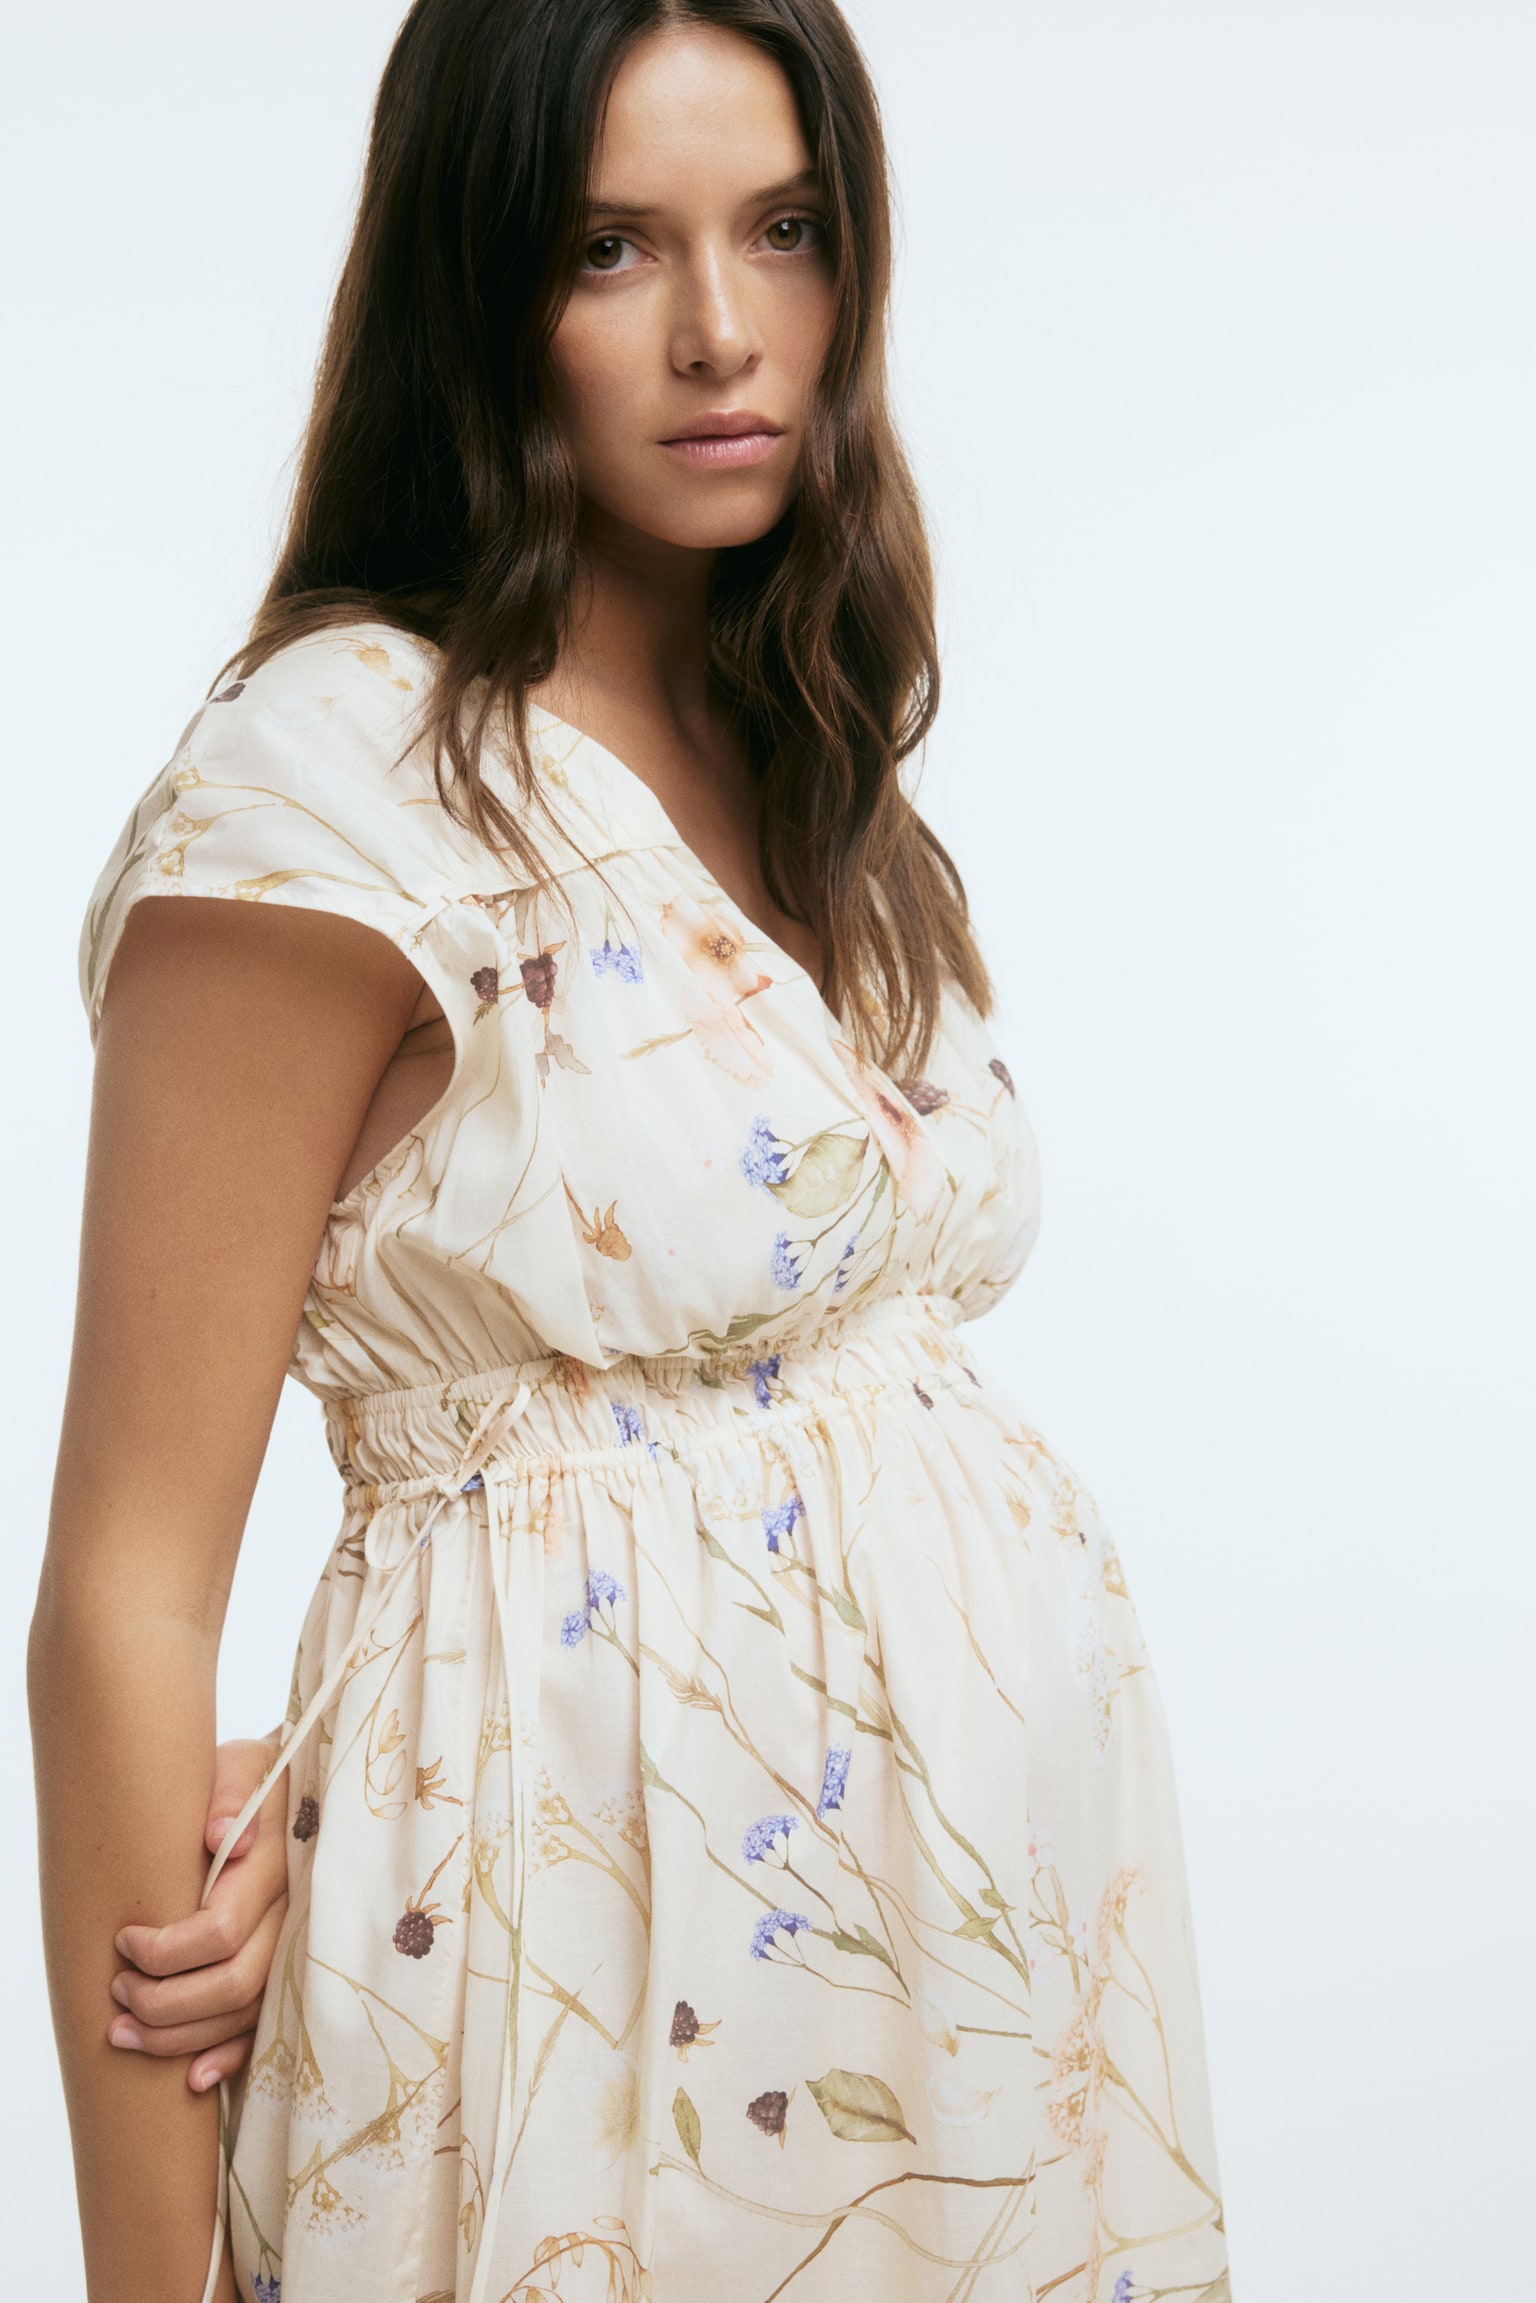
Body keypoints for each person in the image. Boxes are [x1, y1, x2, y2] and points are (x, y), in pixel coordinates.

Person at [30, 2, 1231, 2298]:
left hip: (977, 1998)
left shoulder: (797, 723)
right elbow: (123, 1590)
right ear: (476, 290)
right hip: (572, 2008)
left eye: (784, 229)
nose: (720, 332)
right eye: (608, 249)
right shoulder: (329, 793)